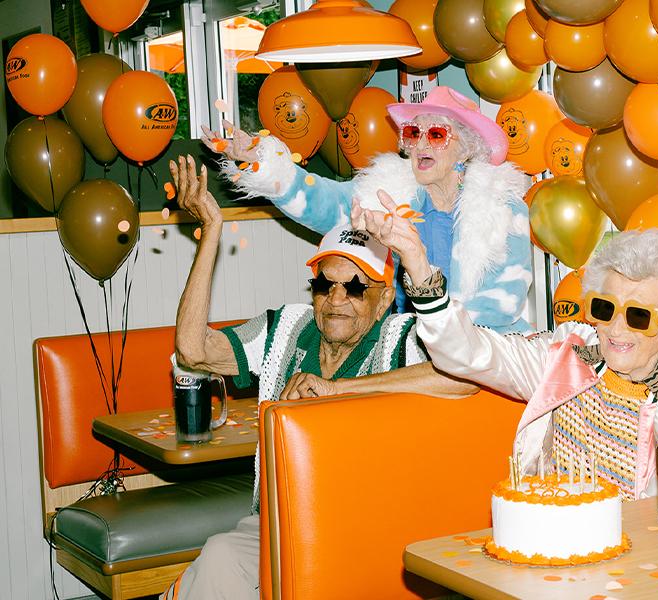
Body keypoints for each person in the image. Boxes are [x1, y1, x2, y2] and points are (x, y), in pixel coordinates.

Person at [162, 156, 477, 600]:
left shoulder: (401, 337)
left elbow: (464, 377)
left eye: (354, 287)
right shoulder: (286, 329)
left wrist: (340, 391)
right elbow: (193, 351)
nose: (336, 299)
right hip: (280, 520)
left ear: (385, 298)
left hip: (368, 529)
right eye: (324, 284)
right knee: (218, 557)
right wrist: (211, 230)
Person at [357, 201, 658, 500]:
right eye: (604, 308)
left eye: (638, 316)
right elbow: (469, 352)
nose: (615, 328)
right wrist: (418, 265)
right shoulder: (567, 354)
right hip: (552, 548)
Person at [202, 86, 533, 333]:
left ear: (466, 148)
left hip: (486, 353)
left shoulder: (502, 209)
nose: (420, 145)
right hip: (408, 346)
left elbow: (498, 308)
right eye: (413, 133)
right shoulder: (390, 191)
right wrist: (261, 161)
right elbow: (323, 201)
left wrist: (441, 342)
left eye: (435, 134)